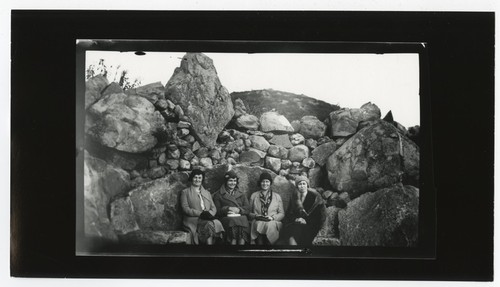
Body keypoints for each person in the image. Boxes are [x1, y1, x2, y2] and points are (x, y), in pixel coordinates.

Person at [180, 169, 224, 245]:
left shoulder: (207, 193)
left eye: (199, 178)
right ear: (192, 178)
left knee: (217, 223)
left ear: (202, 179)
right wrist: (201, 214)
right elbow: (185, 208)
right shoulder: (185, 192)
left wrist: (209, 214)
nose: (197, 180)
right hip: (194, 219)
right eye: (195, 177)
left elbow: (213, 208)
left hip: (207, 217)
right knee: (209, 224)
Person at [282, 176, 326, 245]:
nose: (302, 186)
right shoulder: (294, 197)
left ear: (307, 185)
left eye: (304, 184)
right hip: (296, 223)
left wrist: (305, 221)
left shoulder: (314, 197)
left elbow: (318, 216)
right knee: (290, 230)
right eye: (300, 184)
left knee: (299, 231)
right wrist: (296, 219)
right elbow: (289, 213)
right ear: (297, 186)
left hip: (310, 224)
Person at [213, 171, 251, 245]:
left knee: (243, 221)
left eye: (234, 181)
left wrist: (239, 210)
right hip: (226, 219)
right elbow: (217, 211)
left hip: (240, 217)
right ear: (226, 181)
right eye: (230, 180)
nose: (232, 183)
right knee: (233, 224)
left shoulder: (241, 194)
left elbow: (248, 209)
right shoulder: (219, 195)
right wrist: (227, 208)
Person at [249, 172, 284, 245]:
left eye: (267, 181)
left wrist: (272, 218)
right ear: (260, 183)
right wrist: (256, 216)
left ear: (270, 183)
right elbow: (248, 212)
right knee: (259, 224)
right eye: (263, 181)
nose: (265, 184)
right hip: (258, 221)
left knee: (269, 225)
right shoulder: (254, 196)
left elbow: (282, 213)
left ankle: (269, 249)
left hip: (272, 221)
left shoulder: (277, 196)